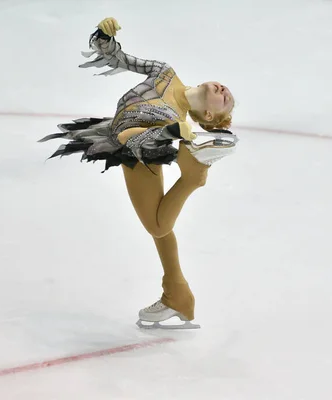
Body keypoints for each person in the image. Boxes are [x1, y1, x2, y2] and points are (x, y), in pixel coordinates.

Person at [40, 17, 238, 329]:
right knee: (161, 228)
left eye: (225, 99)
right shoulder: (166, 73)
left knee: (158, 225)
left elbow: (138, 138)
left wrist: (172, 131)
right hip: (120, 136)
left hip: (136, 151)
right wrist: (104, 37)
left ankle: (193, 176)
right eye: (224, 88)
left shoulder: (177, 118)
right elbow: (119, 59)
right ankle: (178, 296)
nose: (224, 89)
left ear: (208, 115)